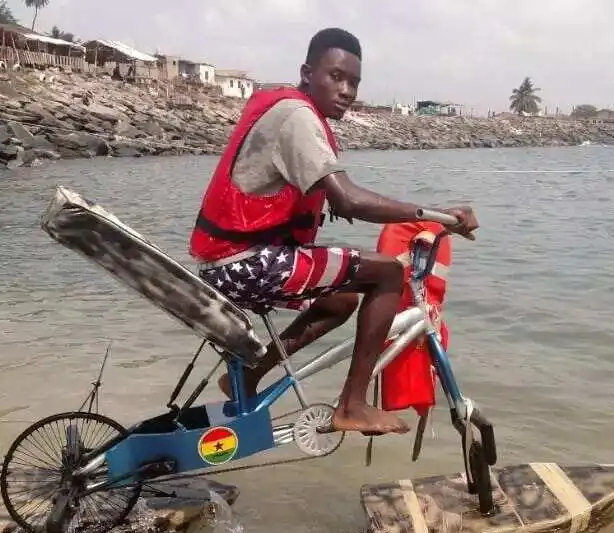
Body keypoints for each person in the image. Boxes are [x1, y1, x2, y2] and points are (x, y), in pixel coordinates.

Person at [188, 27, 478, 436]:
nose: (346, 90)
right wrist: (441, 216)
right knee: (390, 273)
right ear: (307, 73)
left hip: (231, 261)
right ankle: (353, 405)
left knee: (341, 300)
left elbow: (319, 197)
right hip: (245, 265)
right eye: (336, 77)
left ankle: (249, 374)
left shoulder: (293, 111)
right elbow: (349, 200)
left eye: (354, 83)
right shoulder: (298, 116)